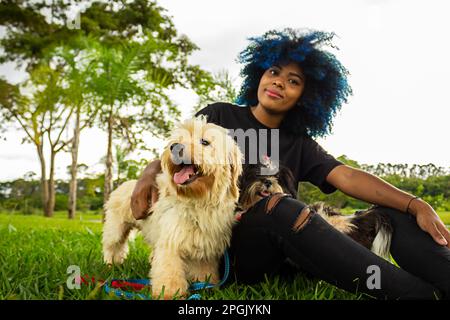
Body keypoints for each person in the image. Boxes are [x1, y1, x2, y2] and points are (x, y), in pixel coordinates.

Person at [131, 29, 450, 299]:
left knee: (394, 211)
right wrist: (149, 172)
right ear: (259, 75)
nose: (279, 82)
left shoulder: (299, 142)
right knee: (280, 205)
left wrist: (415, 203)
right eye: (273, 71)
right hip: (230, 246)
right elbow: (182, 149)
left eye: (293, 80)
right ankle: (421, 296)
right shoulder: (220, 115)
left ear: (307, 97)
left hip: (288, 249)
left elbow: (349, 178)